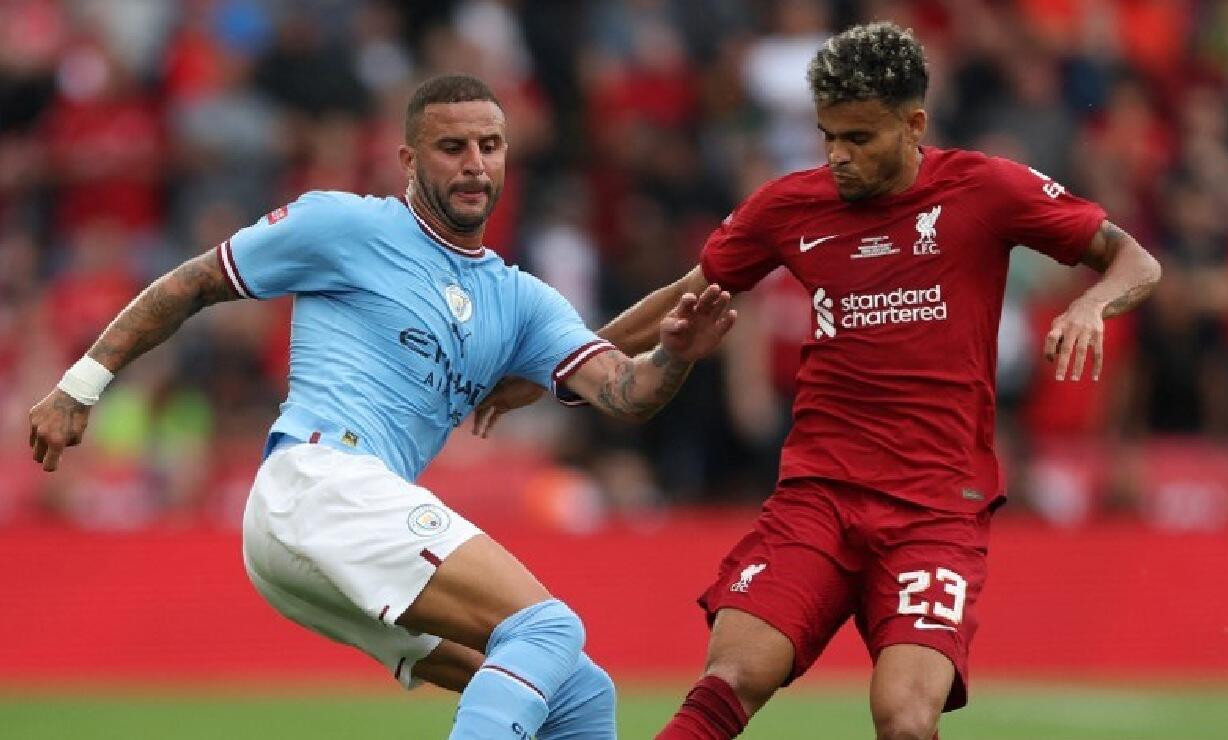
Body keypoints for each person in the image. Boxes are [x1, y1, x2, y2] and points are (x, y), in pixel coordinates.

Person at [475, 23, 1161, 740]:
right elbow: (684, 295)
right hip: (818, 498)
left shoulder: (986, 188)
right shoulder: (789, 207)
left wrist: (1089, 303)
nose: (837, 155)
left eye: (859, 138)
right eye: (827, 135)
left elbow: (1136, 261)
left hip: (935, 511)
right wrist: (558, 367)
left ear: (914, 124)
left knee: (903, 716)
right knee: (732, 677)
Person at [28, 74, 736, 740]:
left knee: (580, 691)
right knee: (548, 629)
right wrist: (80, 385)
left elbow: (628, 392)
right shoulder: (343, 224)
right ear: (407, 157)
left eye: (490, 147)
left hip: (329, 524)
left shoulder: (522, 301)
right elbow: (193, 284)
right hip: (319, 477)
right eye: (452, 147)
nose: (474, 165)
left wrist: (675, 353)